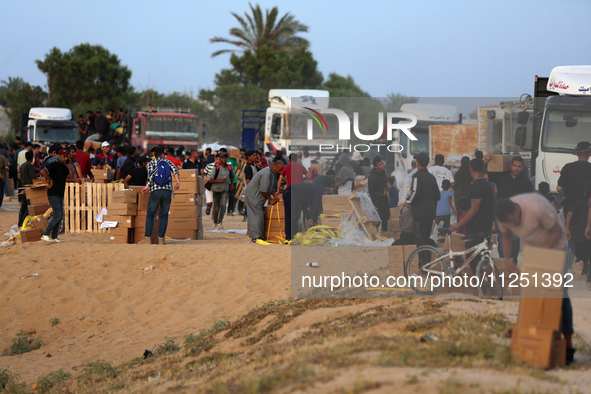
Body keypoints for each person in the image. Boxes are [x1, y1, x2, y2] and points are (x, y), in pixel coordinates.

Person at [495, 195, 575, 364]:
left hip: (556, 248)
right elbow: (506, 235)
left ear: (517, 210)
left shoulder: (536, 207)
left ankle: (567, 343)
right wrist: (508, 258)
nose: (514, 226)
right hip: (534, 252)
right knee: (529, 292)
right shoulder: (504, 215)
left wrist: (543, 253)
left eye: (514, 221)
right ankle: (527, 332)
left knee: (558, 294)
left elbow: (557, 230)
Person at [486, 154, 533, 266]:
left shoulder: (525, 181)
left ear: (522, 167)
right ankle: (504, 262)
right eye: (515, 166)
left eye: (519, 166)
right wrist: (485, 161)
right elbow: (484, 175)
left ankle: (513, 260)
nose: (516, 168)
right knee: (502, 239)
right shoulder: (501, 176)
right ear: (510, 165)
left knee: (515, 240)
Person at [449, 158, 494, 273]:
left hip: (475, 229)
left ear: (470, 169)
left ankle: (478, 287)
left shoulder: (476, 186)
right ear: (483, 169)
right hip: (486, 226)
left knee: (474, 260)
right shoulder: (487, 185)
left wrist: (458, 224)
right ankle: (483, 287)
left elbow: (474, 209)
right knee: (484, 259)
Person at [138, 147, 180, 245]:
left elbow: (150, 177)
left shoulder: (150, 164)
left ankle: (147, 238)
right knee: (164, 215)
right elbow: (175, 171)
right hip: (167, 192)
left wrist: (146, 187)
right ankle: (161, 239)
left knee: (150, 214)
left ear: (154, 155)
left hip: (155, 191)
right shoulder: (168, 162)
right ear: (162, 154)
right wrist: (178, 183)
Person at [40, 148, 81, 242]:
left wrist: (69, 166)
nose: (65, 158)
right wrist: (50, 180)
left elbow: (69, 177)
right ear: (59, 156)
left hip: (60, 193)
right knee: (58, 215)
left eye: (67, 156)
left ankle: (54, 236)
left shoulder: (64, 167)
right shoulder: (54, 164)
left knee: (60, 215)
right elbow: (43, 171)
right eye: (64, 156)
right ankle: (46, 234)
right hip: (53, 193)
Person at [406, 152, 440, 265]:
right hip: (430, 214)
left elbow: (416, 192)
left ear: (418, 163)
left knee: (420, 240)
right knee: (426, 238)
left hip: (419, 214)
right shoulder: (431, 177)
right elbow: (437, 196)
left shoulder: (416, 176)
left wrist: (408, 202)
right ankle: (428, 264)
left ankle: (422, 266)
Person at [245, 160, 284, 241]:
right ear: (275, 166)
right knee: (257, 214)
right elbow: (263, 190)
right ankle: (256, 237)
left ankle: (258, 235)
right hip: (253, 194)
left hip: (257, 194)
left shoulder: (272, 173)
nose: (280, 172)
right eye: (279, 170)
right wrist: (270, 199)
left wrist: (275, 195)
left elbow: (269, 186)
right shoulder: (267, 173)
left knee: (258, 213)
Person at [566, 183, 591, 289]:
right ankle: (587, 276)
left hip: (579, 233)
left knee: (582, 254)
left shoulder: (579, 203)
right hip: (587, 232)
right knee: (588, 254)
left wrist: (567, 229)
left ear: (584, 193)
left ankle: (582, 267)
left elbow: (569, 214)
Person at [558, 141, 591, 214]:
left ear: (577, 153)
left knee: (569, 225)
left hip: (570, 206)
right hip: (587, 208)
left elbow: (559, 188)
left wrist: (567, 196)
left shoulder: (567, 167)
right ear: (590, 153)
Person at [209, 152, 235, 230]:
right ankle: (215, 223)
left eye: (225, 158)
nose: (224, 159)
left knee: (223, 205)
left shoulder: (229, 167)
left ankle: (220, 222)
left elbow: (232, 176)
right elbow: (211, 180)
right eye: (222, 158)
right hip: (216, 190)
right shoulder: (216, 168)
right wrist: (221, 180)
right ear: (220, 159)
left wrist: (232, 184)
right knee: (216, 208)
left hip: (225, 190)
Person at [368, 155, 390, 232]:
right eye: (380, 165)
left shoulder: (383, 172)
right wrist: (381, 194)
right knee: (377, 220)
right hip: (377, 202)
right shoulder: (373, 176)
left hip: (384, 200)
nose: (382, 165)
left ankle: (385, 234)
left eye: (382, 163)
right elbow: (371, 192)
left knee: (385, 218)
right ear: (376, 167)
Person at [18, 151, 36, 226]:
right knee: (28, 207)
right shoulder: (30, 166)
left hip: (23, 187)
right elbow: (33, 177)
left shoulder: (22, 165)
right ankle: (23, 222)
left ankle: (20, 222)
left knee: (23, 207)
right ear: (32, 158)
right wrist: (40, 173)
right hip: (29, 188)